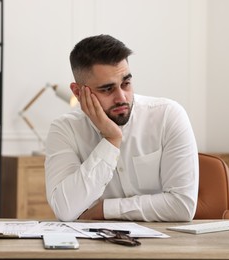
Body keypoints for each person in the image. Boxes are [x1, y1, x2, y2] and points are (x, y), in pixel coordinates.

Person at [45, 34, 199, 222]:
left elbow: (182, 206)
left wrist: (104, 209)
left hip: (161, 246)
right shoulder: (64, 129)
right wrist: (111, 140)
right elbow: (65, 210)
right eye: (107, 89)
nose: (122, 98)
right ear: (78, 92)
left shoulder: (168, 116)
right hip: (93, 248)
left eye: (126, 84)